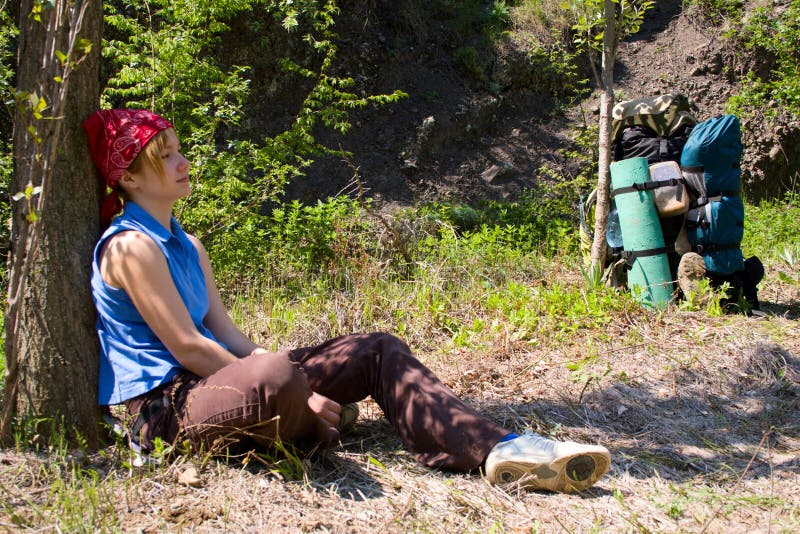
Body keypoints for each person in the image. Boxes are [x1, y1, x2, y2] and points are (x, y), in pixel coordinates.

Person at [83, 108, 611, 493]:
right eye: (164, 155)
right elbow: (189, 347)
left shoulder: (187, 245)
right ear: (128, 177)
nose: (182, 161)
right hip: (165, 408)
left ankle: (496, 447)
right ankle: (314, 425)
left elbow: (228, 336)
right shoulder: (130, 246)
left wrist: (295, 373)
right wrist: (296, 388)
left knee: (372, 349)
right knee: (275, 378)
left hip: (217, 385)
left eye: (178, 148)